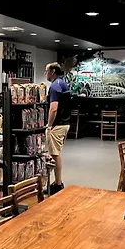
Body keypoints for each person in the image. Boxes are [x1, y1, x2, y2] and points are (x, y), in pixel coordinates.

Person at [45, 62, 71, 194]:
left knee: (55, 155)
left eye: (47, 71)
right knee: (56, 154)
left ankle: (58, 183)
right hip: (65, 123)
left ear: (52, 72)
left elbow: (53, 108)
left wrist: (49, 125)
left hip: (58, 125)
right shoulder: (63, 83)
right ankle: (57, 182)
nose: (46, 74)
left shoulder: (55, 86)